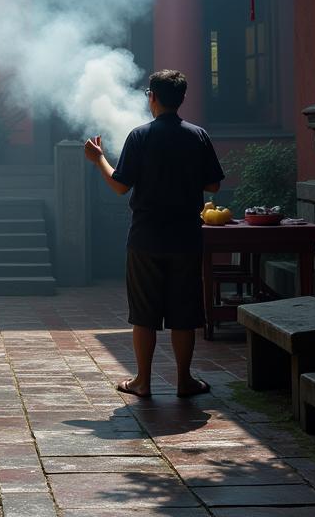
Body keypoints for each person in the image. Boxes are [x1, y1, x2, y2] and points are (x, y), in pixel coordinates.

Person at [84, 69, 223, 399]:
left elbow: (119, 185)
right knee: (184, 314)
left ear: (153, 97)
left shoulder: (140, 136)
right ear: (182, 98)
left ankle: (143, 381)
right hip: (186, 236)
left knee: (144, 314)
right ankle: (184, 380)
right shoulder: (197, 135)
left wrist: (98, 158)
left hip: (146, 237)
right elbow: (214, 184)